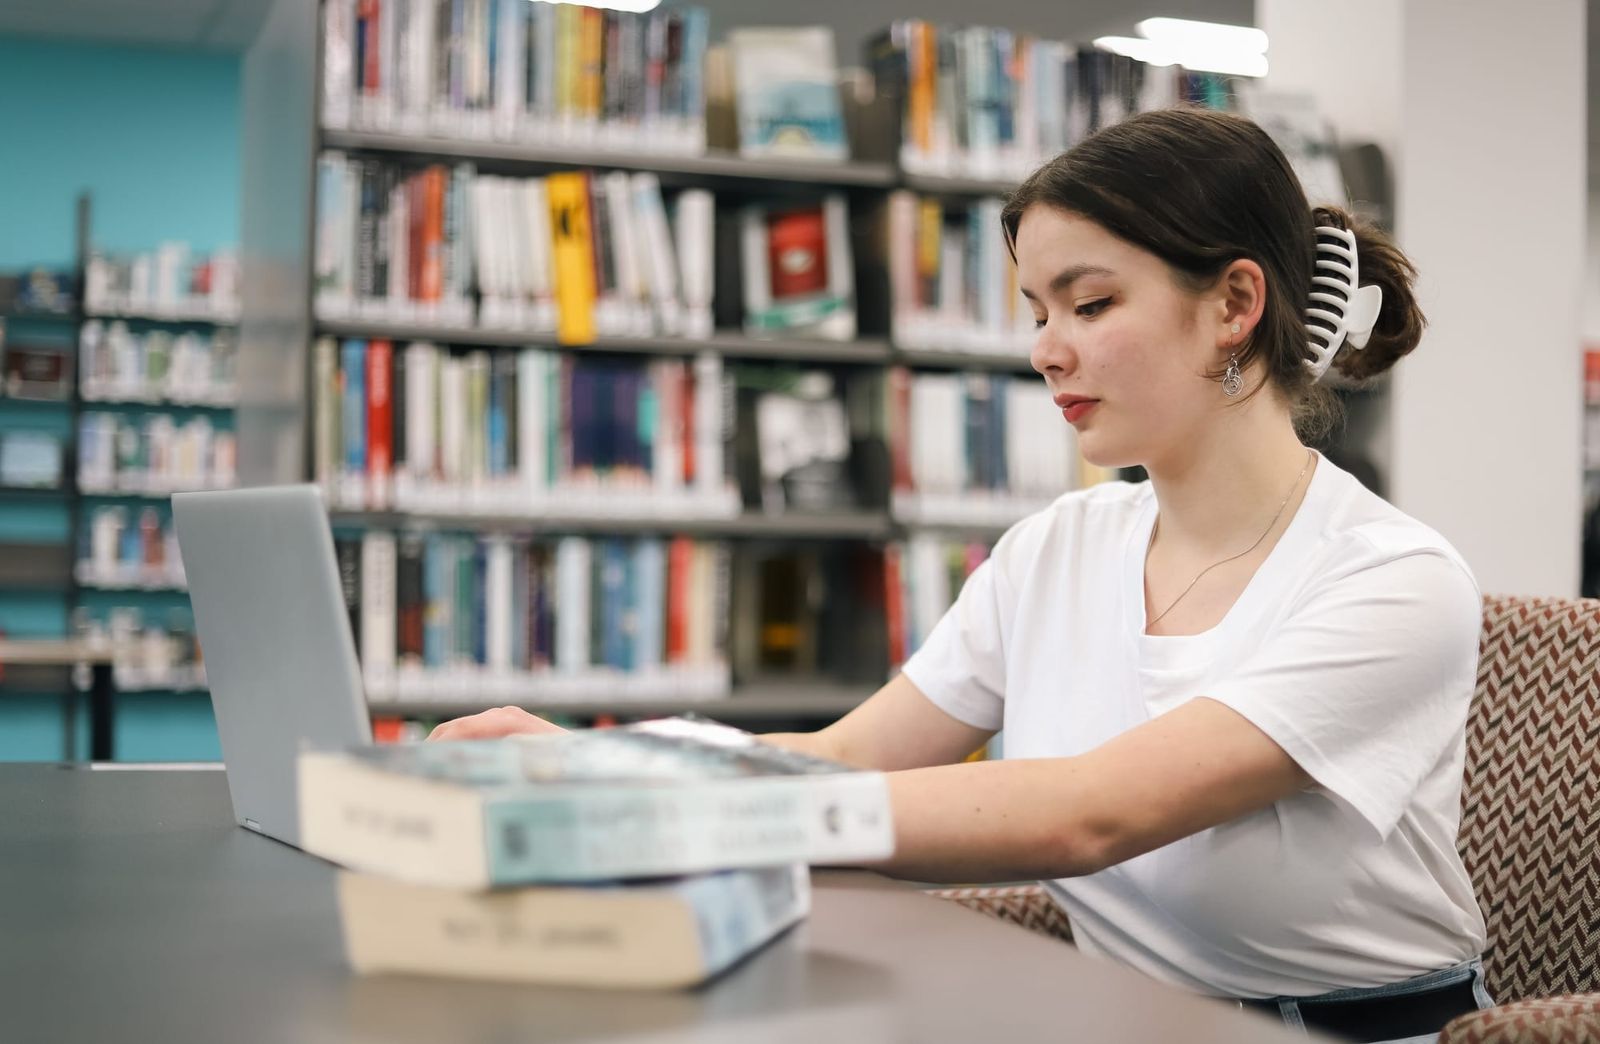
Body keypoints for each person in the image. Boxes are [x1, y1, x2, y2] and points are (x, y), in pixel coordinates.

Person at [428, 108, 1490, 1043]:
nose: (1045, 350)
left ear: (1233, 304)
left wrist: (655, 809)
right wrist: (603, 770)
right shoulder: (1053, 551)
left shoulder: (1395, 583)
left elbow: (1090, 814)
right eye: (1036, 311)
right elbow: (844, 762)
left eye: (1088, 304)